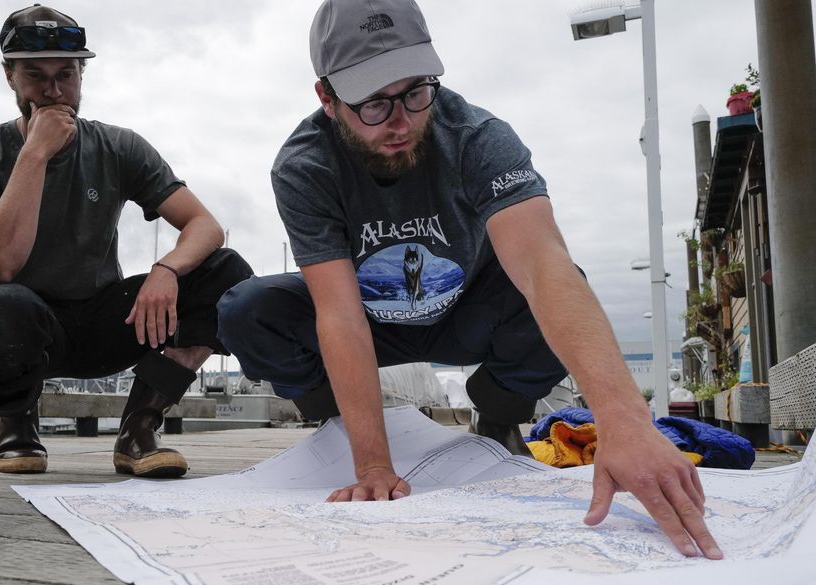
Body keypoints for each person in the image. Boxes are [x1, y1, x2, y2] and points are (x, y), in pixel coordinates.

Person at [216, 0, 723, 560]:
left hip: (466, 311)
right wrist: (374, 466)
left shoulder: (478, 136)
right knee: (247, 309)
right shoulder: (304, 165)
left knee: (562, 286)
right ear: (327, 99)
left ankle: (498, 419)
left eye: (415, 91)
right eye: (374, 103)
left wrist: (625, 420)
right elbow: (338, 312)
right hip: (367, 318)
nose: (401, 121)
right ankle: (341, 425)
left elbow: (543, 265)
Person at [0, 4, 252, 477]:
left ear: (82, 74)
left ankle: (139, 427)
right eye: (35, 75)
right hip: (31, 326)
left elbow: (204, 225)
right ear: (9, 77)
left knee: (226, 272)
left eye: (66, 75)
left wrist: (166, 270)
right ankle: (16, 422)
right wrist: (36, 153)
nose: (53, 91)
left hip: (110, 319)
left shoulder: (119, 146)